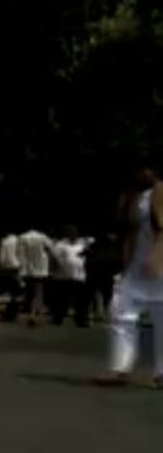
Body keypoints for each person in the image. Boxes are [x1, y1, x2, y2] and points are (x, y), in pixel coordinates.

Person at [93, 161, 163, 388]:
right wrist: (125, 263)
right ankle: (119, 368)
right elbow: (129, 232)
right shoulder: (134, 197)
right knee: (121, 311)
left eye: (147, 168)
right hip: (136, 267)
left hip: (158, 264)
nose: (143, 172)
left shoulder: (160, 190)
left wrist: (157, 257)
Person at [50, 225, 90, 328]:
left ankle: (81, 320)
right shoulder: (60, 245)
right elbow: (54, 259)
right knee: (61, 300)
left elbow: (85, 257)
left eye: (74, 232)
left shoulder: (81, 245)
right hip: (62, 277)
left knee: (81, 301)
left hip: (78, 276)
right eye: (70, 232)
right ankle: (58, 318)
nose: (73, 234)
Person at [18, 228, 54, 326]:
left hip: (27, 269)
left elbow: (20, 253)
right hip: (40, 268)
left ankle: (32, 312)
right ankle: (34, 314)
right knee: (38, 291)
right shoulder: (42, 237)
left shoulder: (22, 237)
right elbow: (51, 249)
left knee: (30, 292)